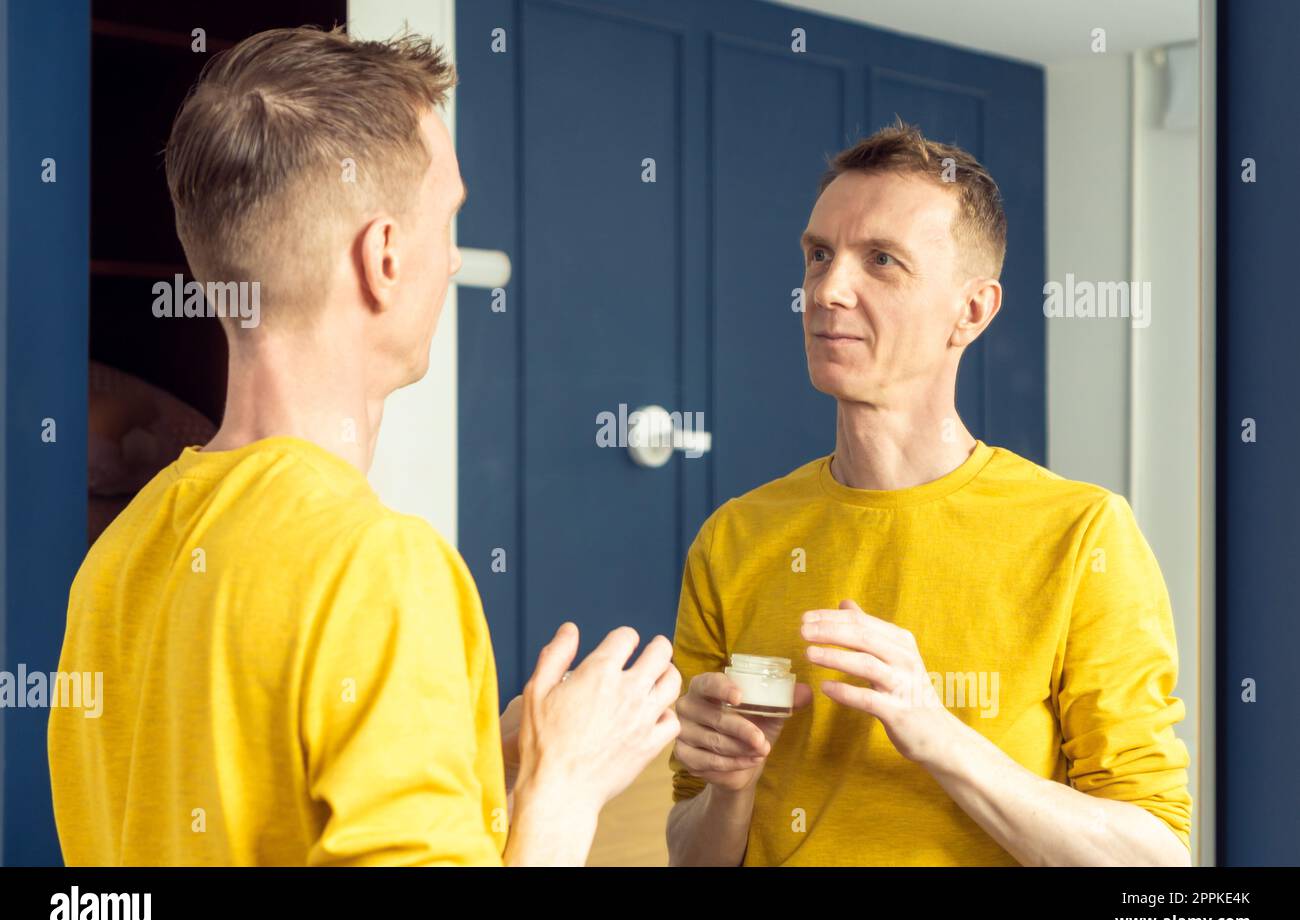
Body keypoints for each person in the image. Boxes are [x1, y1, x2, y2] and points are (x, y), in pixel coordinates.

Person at [49, 25, 680, 866]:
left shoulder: (117, 559)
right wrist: (564, 785)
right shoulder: (376, 570)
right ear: (383, 256)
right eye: (448, 220)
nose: (453, 261)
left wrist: (469, 762)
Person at [666, 121, 1192, 867]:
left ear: (972, 311)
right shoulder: (736, 537)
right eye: (819, 255)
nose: (827, 290)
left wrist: (935, 734)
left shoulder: (1081, 533)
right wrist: (730, 788)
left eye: (881, 260)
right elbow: (690, 856)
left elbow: (1158, 863)